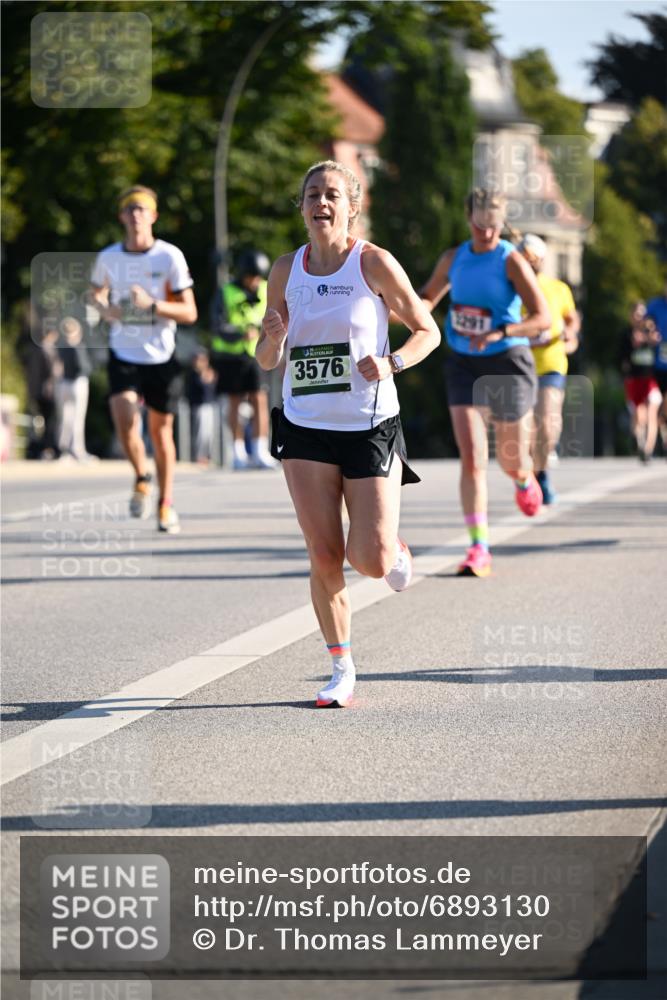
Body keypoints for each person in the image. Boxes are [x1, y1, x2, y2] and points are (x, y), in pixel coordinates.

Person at [256, 159, 440, 708]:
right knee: (323, 553)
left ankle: (394, 550)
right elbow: (268, 358)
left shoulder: (374, 264)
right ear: (303, 206)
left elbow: (426, 330)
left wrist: (394, 363)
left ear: (352, 207)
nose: (322, 203)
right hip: (305, 423)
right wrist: (272, 336)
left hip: (369, 422)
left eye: (333, 194)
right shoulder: (286, 270)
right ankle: (341, 666)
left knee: (372, 560)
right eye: (313, 193)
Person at [419, 189, 551, 578]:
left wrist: (502, 331)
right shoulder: (453, 258)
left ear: (501, 222)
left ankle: (525, 478)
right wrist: (393, 309)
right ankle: (479, 545)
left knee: (511, 459)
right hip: (463, 363)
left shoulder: (510, 260)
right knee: (473, 457)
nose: (487, 230)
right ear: (469, 219)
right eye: (480, 222)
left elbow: (542, 318)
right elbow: (427, 297)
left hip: (506, 361)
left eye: (494, 223)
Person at [89, 185, 197, 533]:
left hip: (161, 355)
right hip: (124, 352)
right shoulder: (108, 257)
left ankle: (166, 504)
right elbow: (94, 295)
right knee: (123, 415)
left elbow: (190, 312)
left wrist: (153, 306)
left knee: (160, 432)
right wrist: (106, 309)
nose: (136, 214)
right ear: (122, 216)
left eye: (142, 209)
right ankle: (141, 476)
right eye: (130, 209)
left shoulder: (169, 257)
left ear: (153, 216)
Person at [518, 234, 580, 503]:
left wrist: (571, 332)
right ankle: (530, 474)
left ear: (541, 259)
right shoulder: (511, 289)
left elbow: (571, 318)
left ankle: (541, 473)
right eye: (525, 258)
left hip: (552, 361)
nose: (530, 263)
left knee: (548, 421)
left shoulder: (558, 288)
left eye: (533, 258)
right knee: (525, 427)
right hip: (519, 363)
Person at [212, 249, 276, 469]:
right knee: (235, 403)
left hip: (256, 354)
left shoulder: (268, 289)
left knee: (260, 400)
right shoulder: (226, 292)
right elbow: (217, 325)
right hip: (231, 355)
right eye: (251, 276)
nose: (255, 281)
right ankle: (238, 452)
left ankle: (260, 451)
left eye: (258, 276)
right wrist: (240, 333)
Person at [621, 302, 661, 463]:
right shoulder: (626, 334)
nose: (640, 318)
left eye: (642, 314)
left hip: (650, 379)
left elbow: (659, 349)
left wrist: (650, 339)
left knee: (652, 412)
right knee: (639, 414)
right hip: (634, 379)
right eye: (637, 314)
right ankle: (637, 438)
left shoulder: (651, 330)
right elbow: (622, 358)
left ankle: (648, 450)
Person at [55, 316, 96, 461]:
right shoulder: (78, 347)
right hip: (77, 383)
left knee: (65, 418)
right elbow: (84, 367)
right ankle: (76, 450)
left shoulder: (61, 346)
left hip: (64, 383)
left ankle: (64, 449)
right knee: (76, 419)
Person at [186, 348, 217, 465]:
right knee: (200, 433)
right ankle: (199, 456)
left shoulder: (209, 371)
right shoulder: (193, 374)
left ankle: (208, 456)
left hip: (210, 405)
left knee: (209, 434)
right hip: (198, 406)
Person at [646, 283, 667, 452]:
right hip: (656, 365)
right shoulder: (655, 304)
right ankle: (660, 427)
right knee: (656, 404)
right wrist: (650, 333)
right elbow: (645, 324)